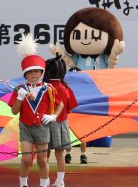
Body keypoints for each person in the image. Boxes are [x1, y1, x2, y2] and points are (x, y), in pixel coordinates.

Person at [50, 7, 125, 164]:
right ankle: (76, 146)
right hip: (79, 97)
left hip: (98, 96)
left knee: (99, 125)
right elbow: (68, 62)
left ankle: (101, 136)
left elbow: (111, 64)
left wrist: (115, 54)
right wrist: (60, 53)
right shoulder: (77, 57)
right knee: (78, 125)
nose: (85, 39)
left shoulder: (102, 58)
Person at [8, 33, 64, 187]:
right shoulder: (20, 89)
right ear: (25, 74)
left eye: (36, 71)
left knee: (42, 159)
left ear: (42, 73)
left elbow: (61, 105)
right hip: (25, 126)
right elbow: (14, 111)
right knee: (26, 159)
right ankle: (23, 184)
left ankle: (43, 185)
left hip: (42, 126)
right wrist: (20, 97)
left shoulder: (49, 88)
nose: (33, 74)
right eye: (29, 72)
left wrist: (53, 116)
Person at [43, 54, 77, 187]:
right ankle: (60, 181)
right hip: (62, 123)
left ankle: (44, 180)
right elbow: (70, 109)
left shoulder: (45, 87)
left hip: (45, 124)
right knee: (60, 154)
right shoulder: (66, 87)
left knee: (44, 154)